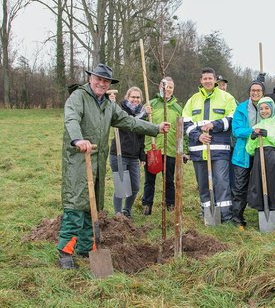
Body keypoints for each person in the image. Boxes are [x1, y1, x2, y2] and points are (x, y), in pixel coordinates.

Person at [57, 63, 170, 269]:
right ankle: (65, 253)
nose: (102, 83)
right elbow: (71, 118)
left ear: (109, 84)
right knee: (76, 205)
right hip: (77, 161)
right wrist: (77, 140)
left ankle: (85, 247)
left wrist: (155, 128)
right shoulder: (78, 97)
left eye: (105, 81)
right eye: (98, 79)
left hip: (97, 162)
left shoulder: (108, 105)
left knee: (93, 208)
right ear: (90, 79)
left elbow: (129, 122)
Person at [182, 67, 237, 222]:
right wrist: (198, 136)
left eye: (210, 78)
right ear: (201, 80)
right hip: (199, 150)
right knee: (203, 184)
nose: (207, 81)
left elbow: (232, 118)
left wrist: (215, 125)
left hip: (220, 150)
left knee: (221, 182)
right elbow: (186, 122)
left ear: (215, 80)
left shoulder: (227, 98)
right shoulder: (192, 100)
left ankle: (225, 216)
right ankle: (208, 214)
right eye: (204, 78)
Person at [246, 97, 275, 225]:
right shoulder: (256, 127)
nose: (264, 111)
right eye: (261, 108)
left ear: (272, 109)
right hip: (259, 161)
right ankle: (263, 212)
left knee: (274, 185)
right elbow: (249, 150)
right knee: (260, 184)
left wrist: (269, 136)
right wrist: (253, 138)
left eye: (266, 108)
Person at [141, 77, 183, 215]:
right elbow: (139, 123)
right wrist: (144, 113)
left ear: (173, 89)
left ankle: (170, 205)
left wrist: (183, 150)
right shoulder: (150, 104)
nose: (168, 90)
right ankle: (147, 206)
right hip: (153, 149)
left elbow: (181, 130)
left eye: (170, 87)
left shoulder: (178, 108)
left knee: (169, 180)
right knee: (149, 180)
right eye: (165, 86)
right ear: (160, 87)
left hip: (170, 149)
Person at [109, 87, 148, 219]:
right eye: (133, 97)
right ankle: (118, 213)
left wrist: (142, 155)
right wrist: (111, 104)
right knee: (121, 185)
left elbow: (142, 136)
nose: (135, 100)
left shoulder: (143, 115)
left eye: (138, 97)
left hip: (133, 156)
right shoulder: (119, 110)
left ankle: (127, 210)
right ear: (127, 97)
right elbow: (112, 117)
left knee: (135, 186)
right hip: (118, 153)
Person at [231, 80, 265, 230]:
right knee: (240, 186)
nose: (255, 92)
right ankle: (238, 218)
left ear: (263, 92)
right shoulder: (241, 108)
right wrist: (252, 131)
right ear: (249, 92)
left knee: (262, 184)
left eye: (258, 90)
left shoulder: (267, 106)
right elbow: (236, 130)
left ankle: (263, 217)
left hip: (262, 152)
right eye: (253, 90)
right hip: (242, 153)